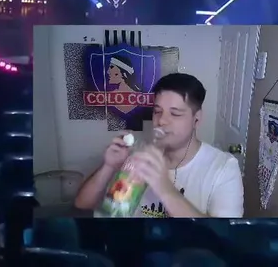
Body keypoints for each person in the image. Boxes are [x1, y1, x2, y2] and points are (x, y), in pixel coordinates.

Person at [72, 72, 243, 218]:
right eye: (157, 111)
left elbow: (223, 237)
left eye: (175, 114)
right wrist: (109, 167)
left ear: (196, 119)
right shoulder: (138, 154)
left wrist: (165, 188)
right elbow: (83, 204)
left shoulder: (224, 168)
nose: (161, 121)